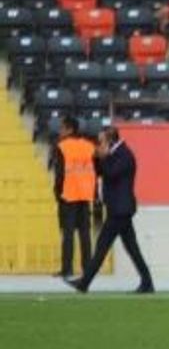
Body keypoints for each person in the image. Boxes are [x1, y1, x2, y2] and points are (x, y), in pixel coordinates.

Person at [68, 127, 154, 294]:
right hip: (119, 209)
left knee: (102, 246)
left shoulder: (124, 155)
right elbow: (99, 171)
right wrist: (97, 157)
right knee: (132, 249)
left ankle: (84, 283)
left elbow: (110, 173)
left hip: (120, 210)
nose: (99, 144)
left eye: (101, 141)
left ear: (110, 140)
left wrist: (103, 157)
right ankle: (147, 282)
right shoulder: (115, 154)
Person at [51, 116, 96, 282]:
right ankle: (88, 268)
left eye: (62, 128)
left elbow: (60, 174)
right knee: (85, 233)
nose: (60, 131)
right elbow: (94, 170)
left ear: (70, 129)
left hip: (68, 195)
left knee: (68, 233)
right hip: (85, 194)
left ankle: (67, 269)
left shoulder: (62, 146)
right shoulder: (89, 146)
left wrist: (57, 193)